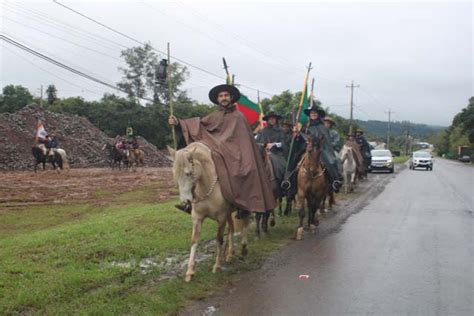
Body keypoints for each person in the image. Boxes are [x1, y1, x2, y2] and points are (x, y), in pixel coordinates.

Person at [168, 84, 276, 215]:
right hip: (217, 148)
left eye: (225, 95)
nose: (223, 98)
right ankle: (192, 201)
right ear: (218, 99)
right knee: (196, 169)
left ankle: (244, 207)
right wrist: (179, 123)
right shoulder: (214, 115)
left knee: (245, 170)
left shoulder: (239, 117)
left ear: (231, 98)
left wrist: (231, 149)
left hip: (238, 152)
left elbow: (244, 141)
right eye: (221, 96)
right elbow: (199, 126)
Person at [303, 106, 342, 192]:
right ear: (309, 115)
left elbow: (326, 140)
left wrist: (318, 143)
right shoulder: (306, 126)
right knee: (294, 159)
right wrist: (299, 135)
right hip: (307, 148)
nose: (313, 114)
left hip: (321, 149)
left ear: (318, 115)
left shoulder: (323, 127)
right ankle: (290, 183)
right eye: (312, 113)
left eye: (315, 113)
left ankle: (335, 181)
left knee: (331, 162)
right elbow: (303, 136)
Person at [255, 112, 286, 183]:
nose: (272, 120)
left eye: (273, 119)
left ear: (276, 120)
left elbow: (284, 143)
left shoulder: (281, 130)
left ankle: (281, 180)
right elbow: (257, 141)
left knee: (279, 165)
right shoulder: (263, 130)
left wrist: (274, 144)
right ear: (267, 120)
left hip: (277, 153)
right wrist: (263, 145)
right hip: (264, 152)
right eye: (270, 119)